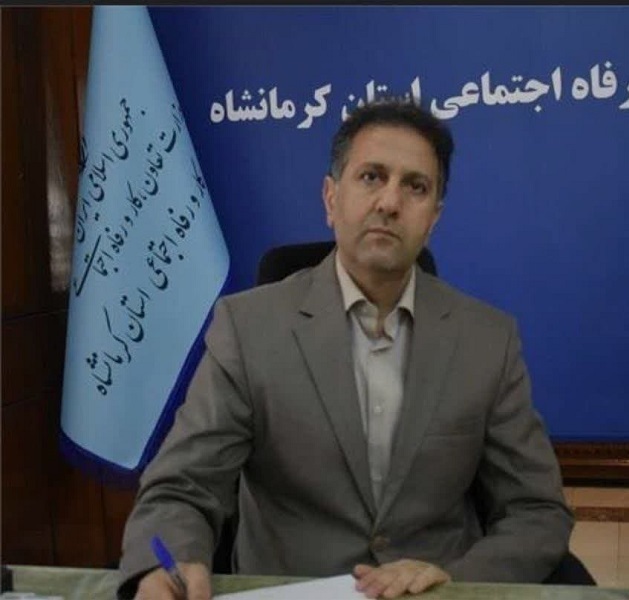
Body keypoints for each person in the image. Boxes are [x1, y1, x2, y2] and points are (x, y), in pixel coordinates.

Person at [119, 99, 573, 600]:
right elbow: (182, 486)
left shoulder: (487, 340)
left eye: (415, 187)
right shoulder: (248, 329)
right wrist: (169, 561)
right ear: (331, 198)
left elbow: (537, 510)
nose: (390, 202)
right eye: (371, 177)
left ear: (433, 218)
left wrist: (459, 580)